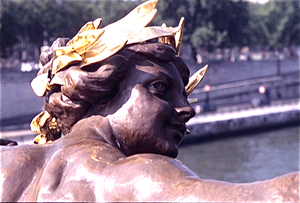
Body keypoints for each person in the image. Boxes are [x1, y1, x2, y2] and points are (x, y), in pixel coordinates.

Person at [1, 1, 299, 202]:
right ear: (102, 90)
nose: (188, 110)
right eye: (159, 87)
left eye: (184, 95)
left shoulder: (9, 162)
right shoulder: (133, 174)